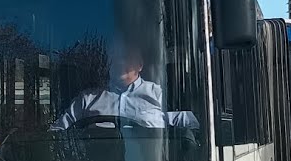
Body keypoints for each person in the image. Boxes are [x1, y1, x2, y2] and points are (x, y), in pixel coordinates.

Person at [50, 43, 197, 131]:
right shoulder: (87, 99)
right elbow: (58, 131)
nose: (120, 63)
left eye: (127, 58)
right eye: (115, 58)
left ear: (140, 65)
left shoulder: (159, 94)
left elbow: (192, 124)